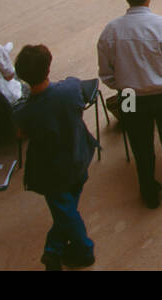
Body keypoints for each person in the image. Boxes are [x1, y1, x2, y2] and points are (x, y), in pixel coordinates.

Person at [96, 0, 162, 209]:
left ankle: (148, 191)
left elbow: (107, 74)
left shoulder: (110, 32)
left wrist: (124, 86)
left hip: (129, 96)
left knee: (140, 145)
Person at [12, 44, 98, 270]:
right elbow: (77, 90)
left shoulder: (24, 112)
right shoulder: (70, 89)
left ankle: (84, 250)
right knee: (67, 206)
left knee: (64, 210)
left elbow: (21, 133)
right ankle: (53, 250)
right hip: (78, 154)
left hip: (51, 169)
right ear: (48, 68)